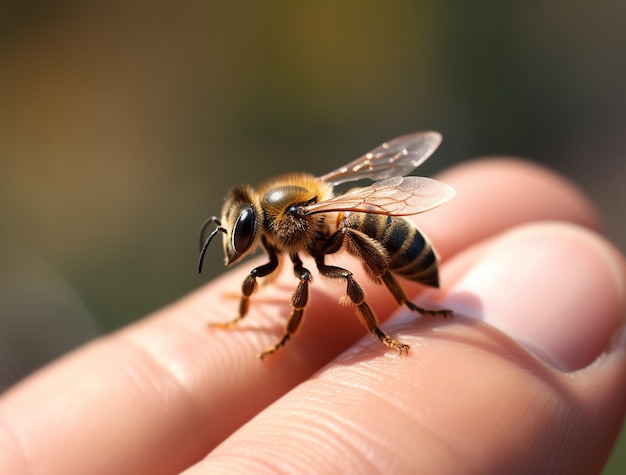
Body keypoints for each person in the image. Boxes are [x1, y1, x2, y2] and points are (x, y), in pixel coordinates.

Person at [0, 158, 624, 474]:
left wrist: (386, 320)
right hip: (359, 224)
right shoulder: (278, 226)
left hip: (392, 239)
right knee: (318, 271)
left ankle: (399, 311)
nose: (236, 241)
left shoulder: (293, 225)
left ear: (265, 221)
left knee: (340, 271)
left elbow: (312, 281)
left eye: (239, 230)